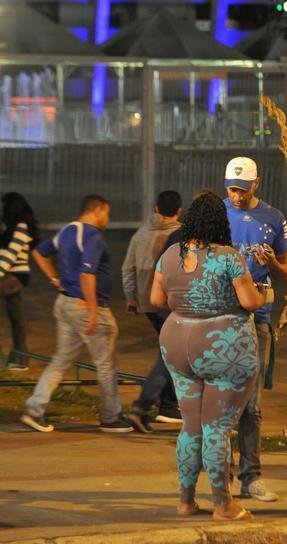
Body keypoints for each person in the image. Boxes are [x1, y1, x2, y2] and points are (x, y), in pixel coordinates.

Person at [152, 191, 273, 521]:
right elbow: (248, 302)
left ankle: (185, 501)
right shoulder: (228, 257)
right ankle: (223, 503)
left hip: (177, 342)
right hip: (223, 345)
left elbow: (156, 299)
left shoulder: (170, 256)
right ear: (219, 221)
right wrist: (265, 294)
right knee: (217, 428)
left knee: (190, 425)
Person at [20, 195, 133, 434]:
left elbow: (39, 253)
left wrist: (55, 279)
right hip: (86, 307)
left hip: (64, 304)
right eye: (107, 213)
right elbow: (87, 275)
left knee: (61, 360)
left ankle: (34, 409)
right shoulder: (92, 236)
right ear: (98, 210)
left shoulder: (67, 230)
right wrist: (93, 311)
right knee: (106, 364)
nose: (107, 219)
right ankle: (111, 418)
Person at [223, 156, 287, 502]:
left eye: (242, 190)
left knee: (252, 405)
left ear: (256, 185)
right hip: (221, 318)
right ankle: (223, 478)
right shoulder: (216, 214)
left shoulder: (273, 218)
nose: (236, 196)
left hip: (257, 321)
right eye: (232, 189)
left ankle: (252, 477)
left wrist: (271, 263)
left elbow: (286, 271)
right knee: (221, 403)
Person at [122, 190, 183, 433]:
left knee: (170, 353)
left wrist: (131, 298)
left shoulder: (141, 233)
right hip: (170, 304)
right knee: (169, 356)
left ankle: (168, 407)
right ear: (178, 211)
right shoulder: (179, 235)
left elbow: (128, 269)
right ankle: (142, 407)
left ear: (156, 208)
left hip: (148, 305)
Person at [0, 193, 40, 370]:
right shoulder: (12, 228)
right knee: (16, 318)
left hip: (13, 276)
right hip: (10, 276)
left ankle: (17, 359)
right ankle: (20, 360)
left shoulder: (20, 228)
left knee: (16, 319)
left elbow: (10, 255)